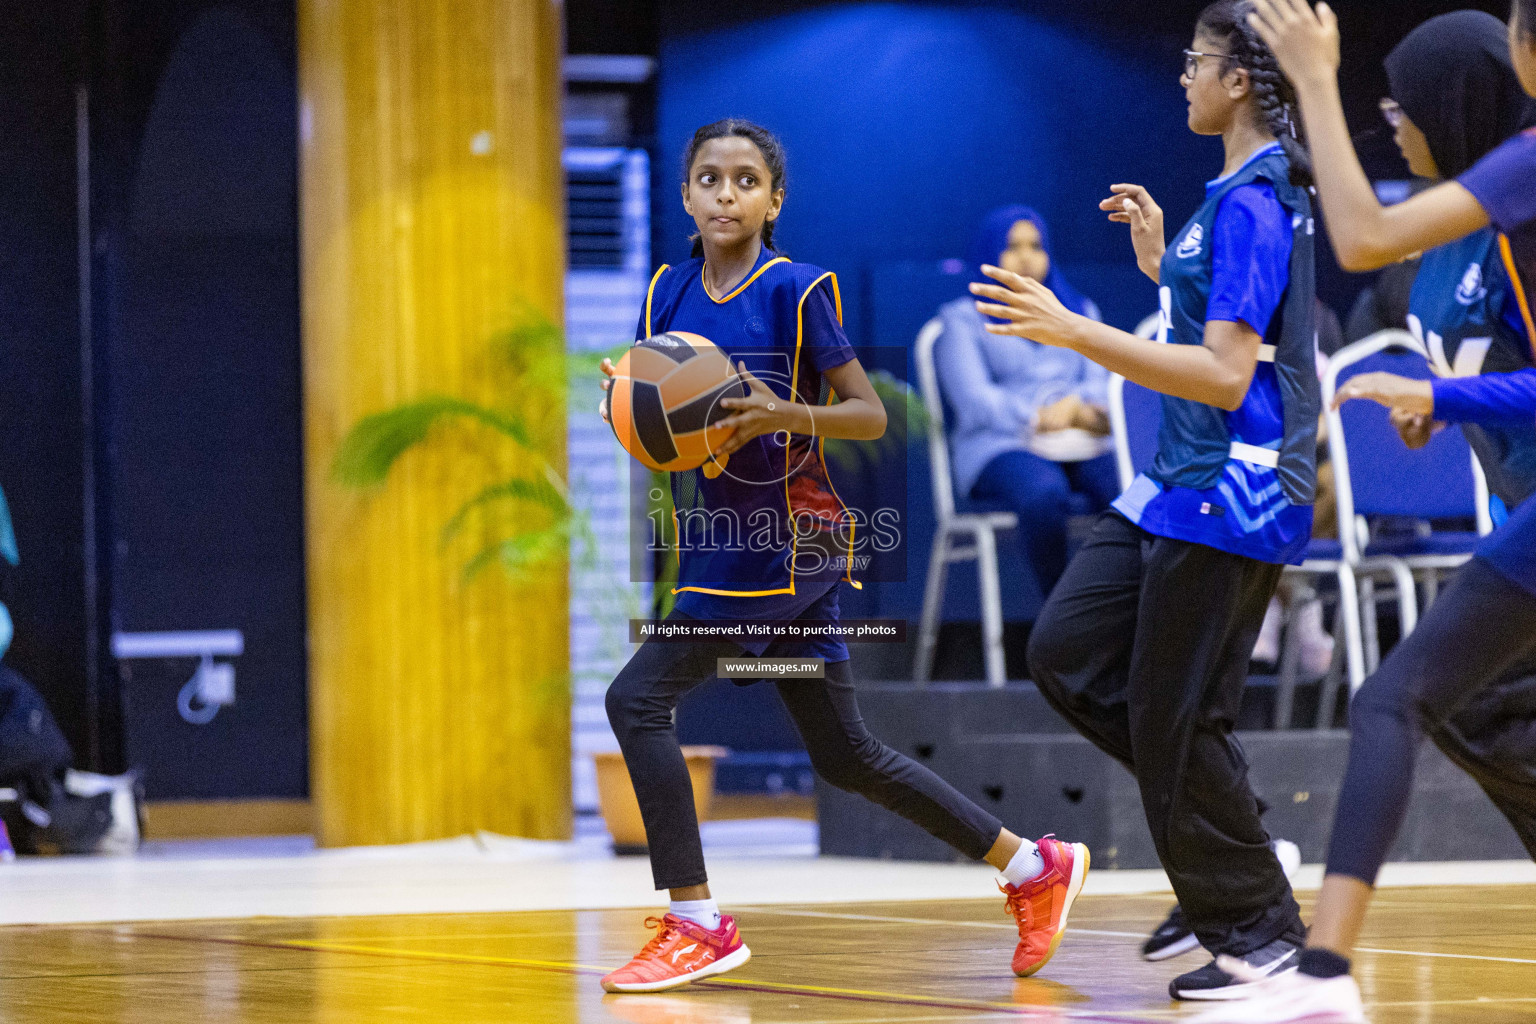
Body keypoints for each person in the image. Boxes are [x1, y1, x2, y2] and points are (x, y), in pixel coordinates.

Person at [595, 118, 1089, 994]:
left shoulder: (796, 288)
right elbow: (664, 423)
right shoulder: (666, 291)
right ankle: (1031, 868)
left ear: (774, 200)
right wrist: (629, 410)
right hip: (729, 540)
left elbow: (866, 414)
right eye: (709, 179)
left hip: (790, 539)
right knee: (846, 754)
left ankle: (698, 923)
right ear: (684, 194)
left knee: (636, 698)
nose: (725, 194)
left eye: (746, 181)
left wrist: (784, 414)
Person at [1189, 1, 1536, 1021]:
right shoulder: (1470, 216)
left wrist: (1316, 83)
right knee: (1447, 703)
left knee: (1396, 697)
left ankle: (1323, 978)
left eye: (1398, 102)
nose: (1389, 118)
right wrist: (1448, 398)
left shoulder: (1518, 171)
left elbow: (1358, 232)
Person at [972, 0, 1319, 999]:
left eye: (1195, 62)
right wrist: (1161, 262)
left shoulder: (1260, 201)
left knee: (1178, 717)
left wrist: (1072, 332)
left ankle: (1260, 932)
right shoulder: (1231, 196)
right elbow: (1215, 334)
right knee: (1068, 655)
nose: (1181, 76)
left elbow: (1220, 375)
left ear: (1240, 80)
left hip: (1232, 491)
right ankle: (1234, 848)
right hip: (1174, 484)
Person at [931, 206, 1119, 600]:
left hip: (1079, 440)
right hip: (1000, 446)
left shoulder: (1079, 312)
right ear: (989, 253)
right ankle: (1063, 623)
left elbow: (1100, 382)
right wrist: (1037, 418)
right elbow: (973, 400)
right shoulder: (962, 320)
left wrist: (1080, 408)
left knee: (1126, 487)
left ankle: (1118, 615)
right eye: (1012, 246)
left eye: (1036, 246)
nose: (1026, 256)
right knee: (1044, 492)